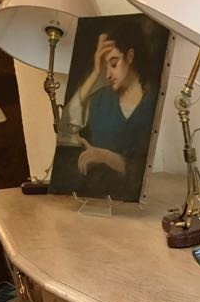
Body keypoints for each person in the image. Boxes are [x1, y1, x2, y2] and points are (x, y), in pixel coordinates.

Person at [53, 18, 161, 201]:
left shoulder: (154, 100)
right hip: (94, 199)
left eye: (113, 63)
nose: (108, 74)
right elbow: (65, 128)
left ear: (130, 56)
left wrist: (106, 157)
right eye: (105, 66)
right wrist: (95, 73)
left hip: (138, 204)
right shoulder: (98, 100)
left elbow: (145, 169)